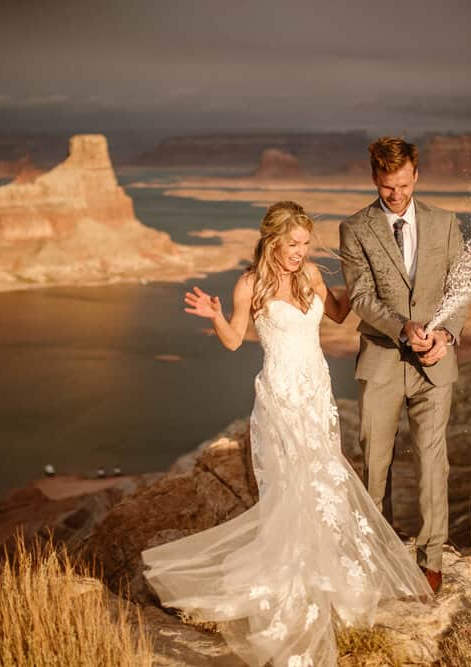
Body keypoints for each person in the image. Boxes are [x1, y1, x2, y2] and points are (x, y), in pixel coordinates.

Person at [141, 201, 432, 667]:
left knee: (323, 480)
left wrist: (364, 280)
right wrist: (215, 314)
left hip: (316, 392)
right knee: (293, 485)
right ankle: (292, 580)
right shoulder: (249, 284)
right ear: (273, 240)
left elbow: (339, 313)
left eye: (305, 244)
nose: (300, 252)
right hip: (279, 397)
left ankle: (323, 571)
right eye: (293, 244)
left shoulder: (310, 275)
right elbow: (234, 340)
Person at [338, 137, 468, 594]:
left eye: (404, 185)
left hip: (435, 363)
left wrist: (445, 336)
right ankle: (378, 554)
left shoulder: (445, 223)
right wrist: (402, 327)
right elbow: (360, 296)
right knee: (376, 461)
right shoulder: (355, 228)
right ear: (374, 177)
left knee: (433, 462)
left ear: (416, 175)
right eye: (387, 186)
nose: (396, 195)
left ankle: (431, 559)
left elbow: (459, 287)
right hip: (383, 360)